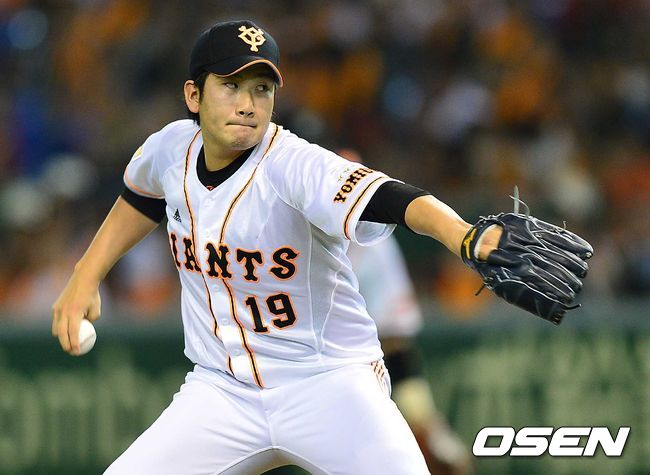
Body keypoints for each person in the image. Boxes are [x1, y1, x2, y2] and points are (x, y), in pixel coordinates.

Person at [52, 20, 504, 474]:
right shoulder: (170, 149)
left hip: (328, 383)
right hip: (222, 391)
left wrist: (460, 233)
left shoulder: (293, 164)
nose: (247, 104)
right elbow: (141, 197)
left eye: (261, 89)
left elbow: (390, 197)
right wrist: (85, 275)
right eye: (230, 86)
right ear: (194, 95)